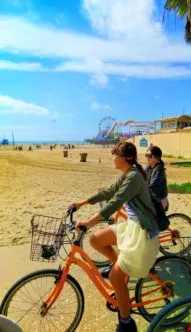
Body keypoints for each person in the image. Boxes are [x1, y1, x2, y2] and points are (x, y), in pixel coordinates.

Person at [71, 142, 159, 332]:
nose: (112, 158)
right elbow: (108, 192)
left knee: (114, 277)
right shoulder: (128, 174)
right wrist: (82, 203)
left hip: (141, 233)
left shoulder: (134, 177)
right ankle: (121, 269)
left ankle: (126, 322)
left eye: (115, 154)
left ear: (124, 158)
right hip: (131, 227)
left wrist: (88, 222)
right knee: (95, 239)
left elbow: (115, 202)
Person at [145, 146, 169, 211]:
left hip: (160, 200)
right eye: (146, 155)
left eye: (150, 156)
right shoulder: (148, 167)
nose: (147, 158)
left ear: (157, 157)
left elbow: (154, 184)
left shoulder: (159, 169)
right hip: (152, 198)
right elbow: (141, 176)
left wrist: (142, 188)